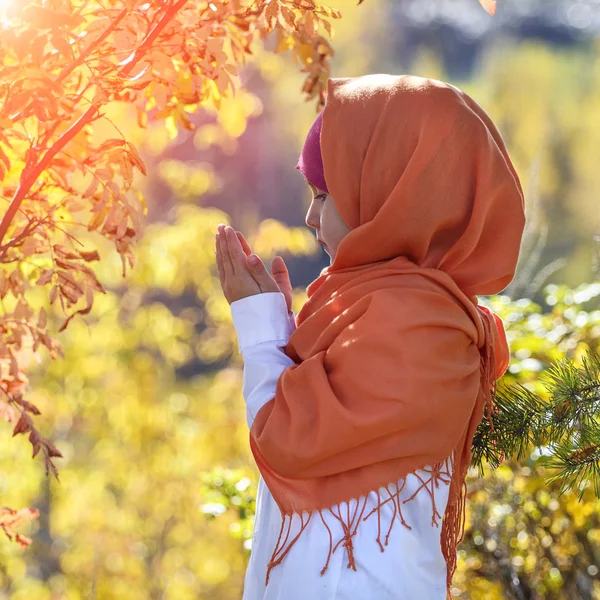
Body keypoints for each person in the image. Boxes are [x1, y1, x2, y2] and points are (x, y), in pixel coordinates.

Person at [214, 74, 526, 600]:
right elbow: (328, 425)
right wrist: (284, 329)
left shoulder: (421, 330)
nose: (310, 217)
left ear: (389, 193)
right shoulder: (366, 307)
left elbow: (288, 440)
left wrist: (261, 329)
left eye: (323, 195)